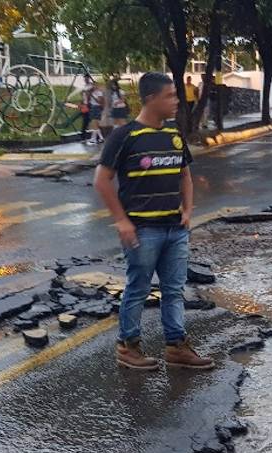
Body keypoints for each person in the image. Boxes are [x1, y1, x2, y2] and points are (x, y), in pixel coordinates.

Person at [94, 72, 214, 370]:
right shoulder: (125, 136)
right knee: (138, 288)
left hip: (175, 229)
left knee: (174, 290)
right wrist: (122, 221)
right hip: (142, 230)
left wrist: (188, 210)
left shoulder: (174, 135)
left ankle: (176, 346)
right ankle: (128, 346)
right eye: (170, 96)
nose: (177, 101)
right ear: (151, 99)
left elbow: (185, 174)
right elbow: (102, 180)